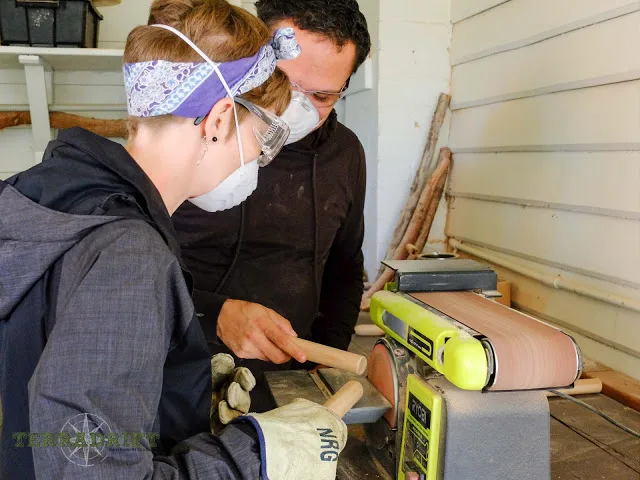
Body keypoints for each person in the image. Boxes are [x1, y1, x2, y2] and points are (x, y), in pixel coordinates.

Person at [0, 0, 347, 478]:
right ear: (220, 119)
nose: (259, 162)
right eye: (264, 137)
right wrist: (255, 455)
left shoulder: (52, 192)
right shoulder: (128, 252)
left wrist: (174, 379)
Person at [173, 0, 372, 411]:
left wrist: (325, 363)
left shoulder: (346, 154)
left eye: (321, 96)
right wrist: (213, 313)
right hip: (180, 370)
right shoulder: (200, 130)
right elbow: (133, 270)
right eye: (281, 81)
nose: (294, 108)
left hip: (288, 385)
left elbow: (345, 266)